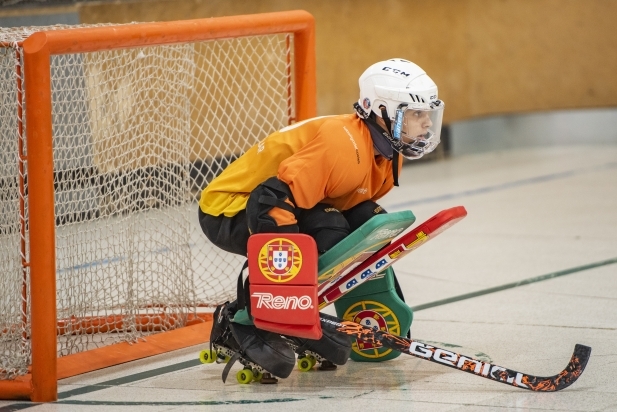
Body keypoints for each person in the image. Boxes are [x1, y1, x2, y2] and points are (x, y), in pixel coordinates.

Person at [199, 58, 445, 381]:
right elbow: (268, 200)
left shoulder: (385, 156)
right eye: (416, 114)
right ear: (383, 112)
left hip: (277, 200)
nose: (426, 123)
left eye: (428, 114)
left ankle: (347, 308)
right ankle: (240, 320)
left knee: (369, 223)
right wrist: (289, 302)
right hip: (229, 207)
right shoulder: (342, 145)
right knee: (330, 235)